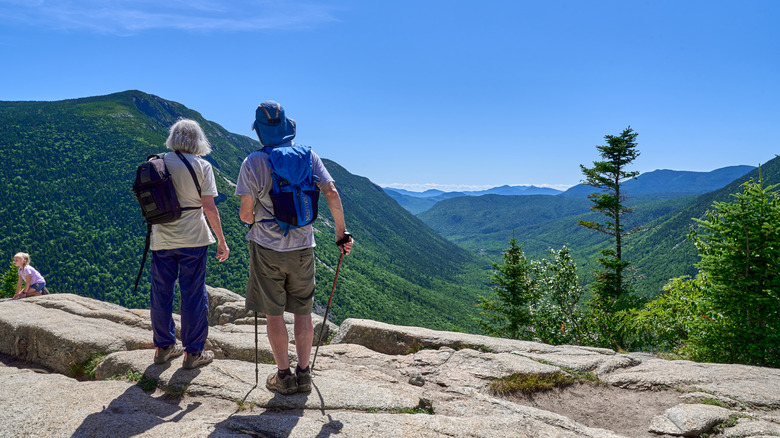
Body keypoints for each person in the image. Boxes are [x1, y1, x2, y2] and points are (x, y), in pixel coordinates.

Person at [235, 101, 353, 395]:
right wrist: (341, 234)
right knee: (303, 311)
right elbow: (331, 192)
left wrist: (257, 219)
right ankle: (304, 373)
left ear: (260, 132)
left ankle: (283, 377)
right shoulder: (309, 156)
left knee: (274, 314)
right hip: (303, 247)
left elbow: (245, 215)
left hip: (266, 247)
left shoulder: (252, 162)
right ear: (287, 127)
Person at [149, 118, 230, 369]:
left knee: (161, 292)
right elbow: (209, 207)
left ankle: (163, 348)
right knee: (193, 294)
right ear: (198, 141)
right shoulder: (202, 166)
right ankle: (193, 353)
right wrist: (221, 240)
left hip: (161, 236)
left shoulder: (156, 162)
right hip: (194, 238)